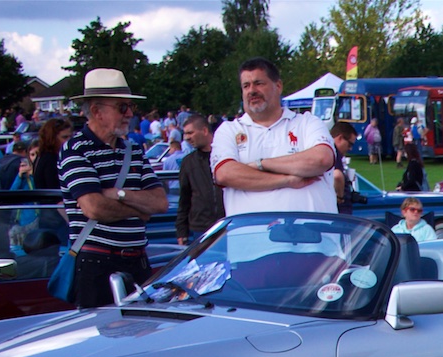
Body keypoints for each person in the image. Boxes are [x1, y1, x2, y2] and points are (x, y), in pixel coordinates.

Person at [57, 67, 168, 308]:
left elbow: (160, 202)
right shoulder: (75, 149)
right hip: (96, 265)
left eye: (131, 107)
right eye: (122, 107)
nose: (129, 114)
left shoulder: (133, 149)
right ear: (96, 111)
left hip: (137, 261)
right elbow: (94, 208)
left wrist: (120, 195)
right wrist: (139, 210)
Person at [211, 57, 336, 214]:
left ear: (278, 86)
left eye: (259, 83)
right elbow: (225, 174)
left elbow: (321, 159)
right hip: (249, 236)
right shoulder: (228, 130)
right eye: (246, 86)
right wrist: (287, 180)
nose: (252, 91)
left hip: (312, 235)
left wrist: (260, 164)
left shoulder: (307, 122)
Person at [176, 115, 224, 244]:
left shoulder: (225, 156)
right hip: (200, 228)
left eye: (190, 133)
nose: (186, 138)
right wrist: (182, 231)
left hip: (226, 224)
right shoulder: (188, 162)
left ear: (204, 130)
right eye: (185, 134)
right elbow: (184, 198)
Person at [329, 120, 357, 213]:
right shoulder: (333, 152)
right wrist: (340, 196)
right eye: (350, 144)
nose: (350, 148)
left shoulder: (326, 151)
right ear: (340, 138)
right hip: (339, 211)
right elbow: (337, 175)